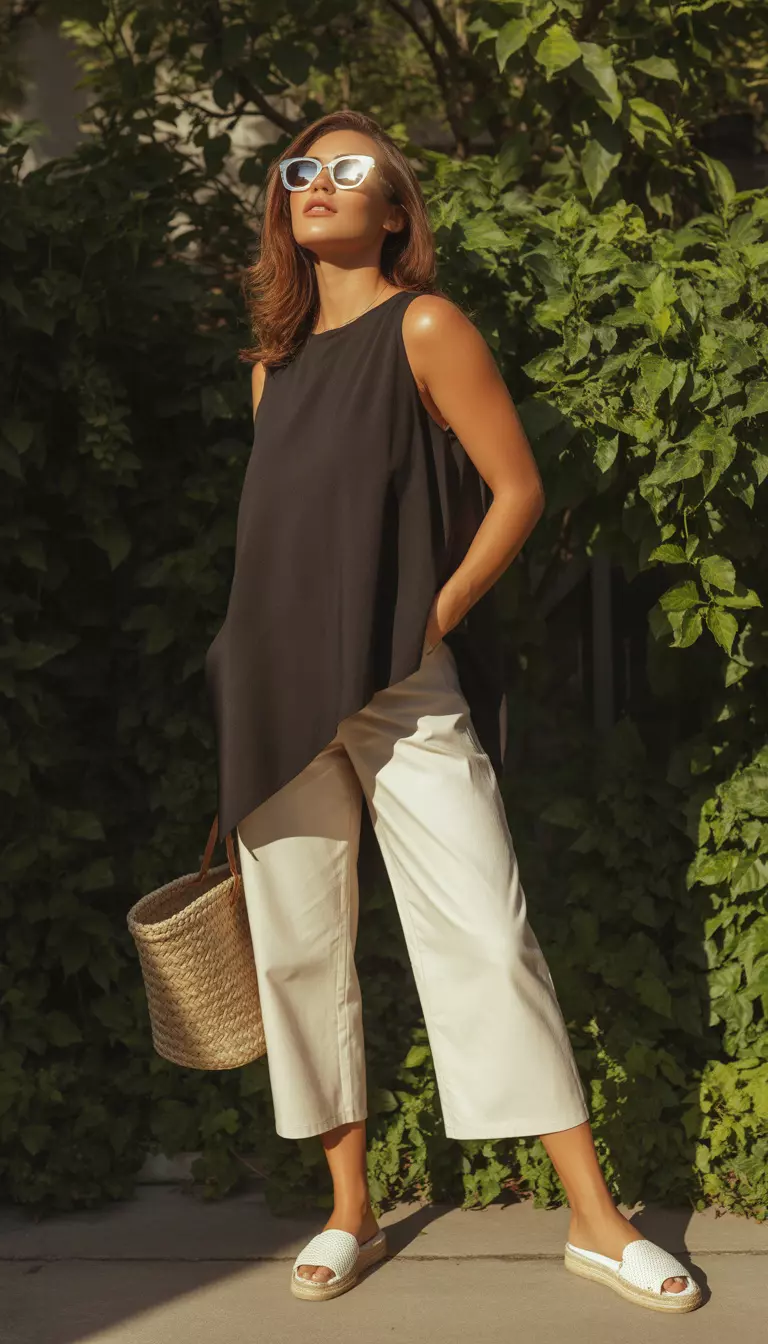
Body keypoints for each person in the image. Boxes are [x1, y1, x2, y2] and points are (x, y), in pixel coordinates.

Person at [204, 110, 701, 1313]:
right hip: (275, 695)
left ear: (394, 210)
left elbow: (516, 488)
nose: (322, 183)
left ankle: (594, 1218)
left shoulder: (425, 327)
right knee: (302, 953)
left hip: (400, 685)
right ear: (285, 204)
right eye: (302, 169)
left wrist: (434, 615)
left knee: (487, 930)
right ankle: (349, 1211)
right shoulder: (271, 369)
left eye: (352, 170)